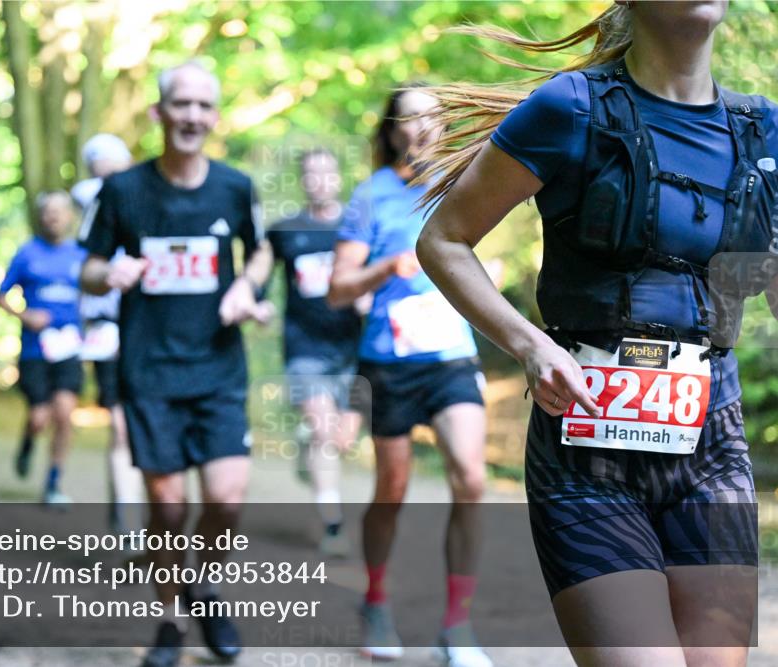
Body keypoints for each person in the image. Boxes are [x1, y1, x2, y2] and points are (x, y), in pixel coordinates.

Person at [415, 2, 776, 666]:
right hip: (586, 448)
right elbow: (444, 240)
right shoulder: (571, 108)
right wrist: (531, 344)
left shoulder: (764, 131)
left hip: (712, 444)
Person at [79, 61, 273, 667]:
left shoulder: (235, 187)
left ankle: (204, 586)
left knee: (226, 500)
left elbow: (261, 250)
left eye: (203, 106)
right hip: (149, 371)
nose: (192, 115)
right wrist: (109, 273)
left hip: (217, 368)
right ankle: (170, 617)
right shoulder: (122, 190)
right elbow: (88, 266)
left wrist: (246, 287)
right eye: (181, 104)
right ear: (158, 113)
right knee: (167, 509)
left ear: (215, 117)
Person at [328, 85, 492, 666]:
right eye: (407, 119)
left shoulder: (461, 183)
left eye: (430, 118)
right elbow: (337, 289)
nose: (420, 128)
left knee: (471, 478)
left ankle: (457, 626)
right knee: (391, 491)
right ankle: (375, 600)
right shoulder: (370, 196)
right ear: (392, 130)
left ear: (443, 126)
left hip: (451, 357)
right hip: (388, 364)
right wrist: (385, 268)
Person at [266, 147, 364, 558]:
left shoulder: (358, 228)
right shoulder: (285, 231)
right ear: (302, 181)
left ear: (338, 178)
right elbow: (258, 274)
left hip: (356, 350)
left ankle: (308, 448)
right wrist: (256, 303)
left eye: (327, 172)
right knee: (325, 431)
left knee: (341, 439)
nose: (319, 180)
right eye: (311, 173)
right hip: (304, 348)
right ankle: (333, 525)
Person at [73, 133, 145, 534]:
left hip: (149, 328)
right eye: (99, 173)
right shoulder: (88, 200)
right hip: (105, 328)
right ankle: (128, 522)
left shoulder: (148, 197)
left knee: (144, 426)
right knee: (120, 426)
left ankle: (136, 511)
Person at [0, 191, 87, 506]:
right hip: (35, 350)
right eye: (48, 212)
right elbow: (0, 296)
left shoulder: (81, 255)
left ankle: (53, 482)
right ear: (41, 217)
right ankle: (28, 441)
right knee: (39, 417)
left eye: (59, 211)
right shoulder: (27, 253)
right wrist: (26, 316)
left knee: (64, 413)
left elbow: (97, 294)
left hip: (69, 348)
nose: (54, 217)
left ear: (70, 216)